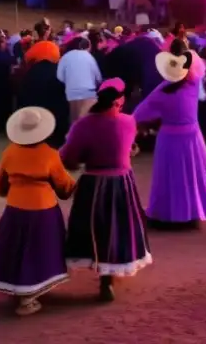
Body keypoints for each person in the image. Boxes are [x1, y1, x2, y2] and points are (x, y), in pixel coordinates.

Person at [0, 106, 76, 317]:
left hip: (15, 208)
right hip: (43, 210)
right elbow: (64, 187)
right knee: (39, 251)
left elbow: (1, 186)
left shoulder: (9, 152)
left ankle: (17, 288)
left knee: (14, 247)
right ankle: (29, 298)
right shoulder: (50, 155)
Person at [61, 79, 152, 302]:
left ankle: (100, 274)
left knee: (93, 229)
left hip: (93, 183)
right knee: (119, 228)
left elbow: (69, 158)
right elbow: (126, 149)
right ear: (119, 101)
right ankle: (108, 279)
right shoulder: (128, 122)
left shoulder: (83, 125)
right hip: (122, 181)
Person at [131, 45, 206, 227]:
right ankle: (192, 213)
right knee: (192, 175)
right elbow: (196, 61)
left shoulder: (163, 92)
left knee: (169, 177)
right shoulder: (194, 83)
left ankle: (168, 214)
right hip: (192, 136)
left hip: (170, 137)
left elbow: (139, 113)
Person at [57, 36, 102, 123]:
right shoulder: (89, 57)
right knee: (88, 122)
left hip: (71, 95)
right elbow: (98, 78)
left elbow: (60, 77)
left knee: (74, 121)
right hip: (88, 94)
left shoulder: (65, 57)